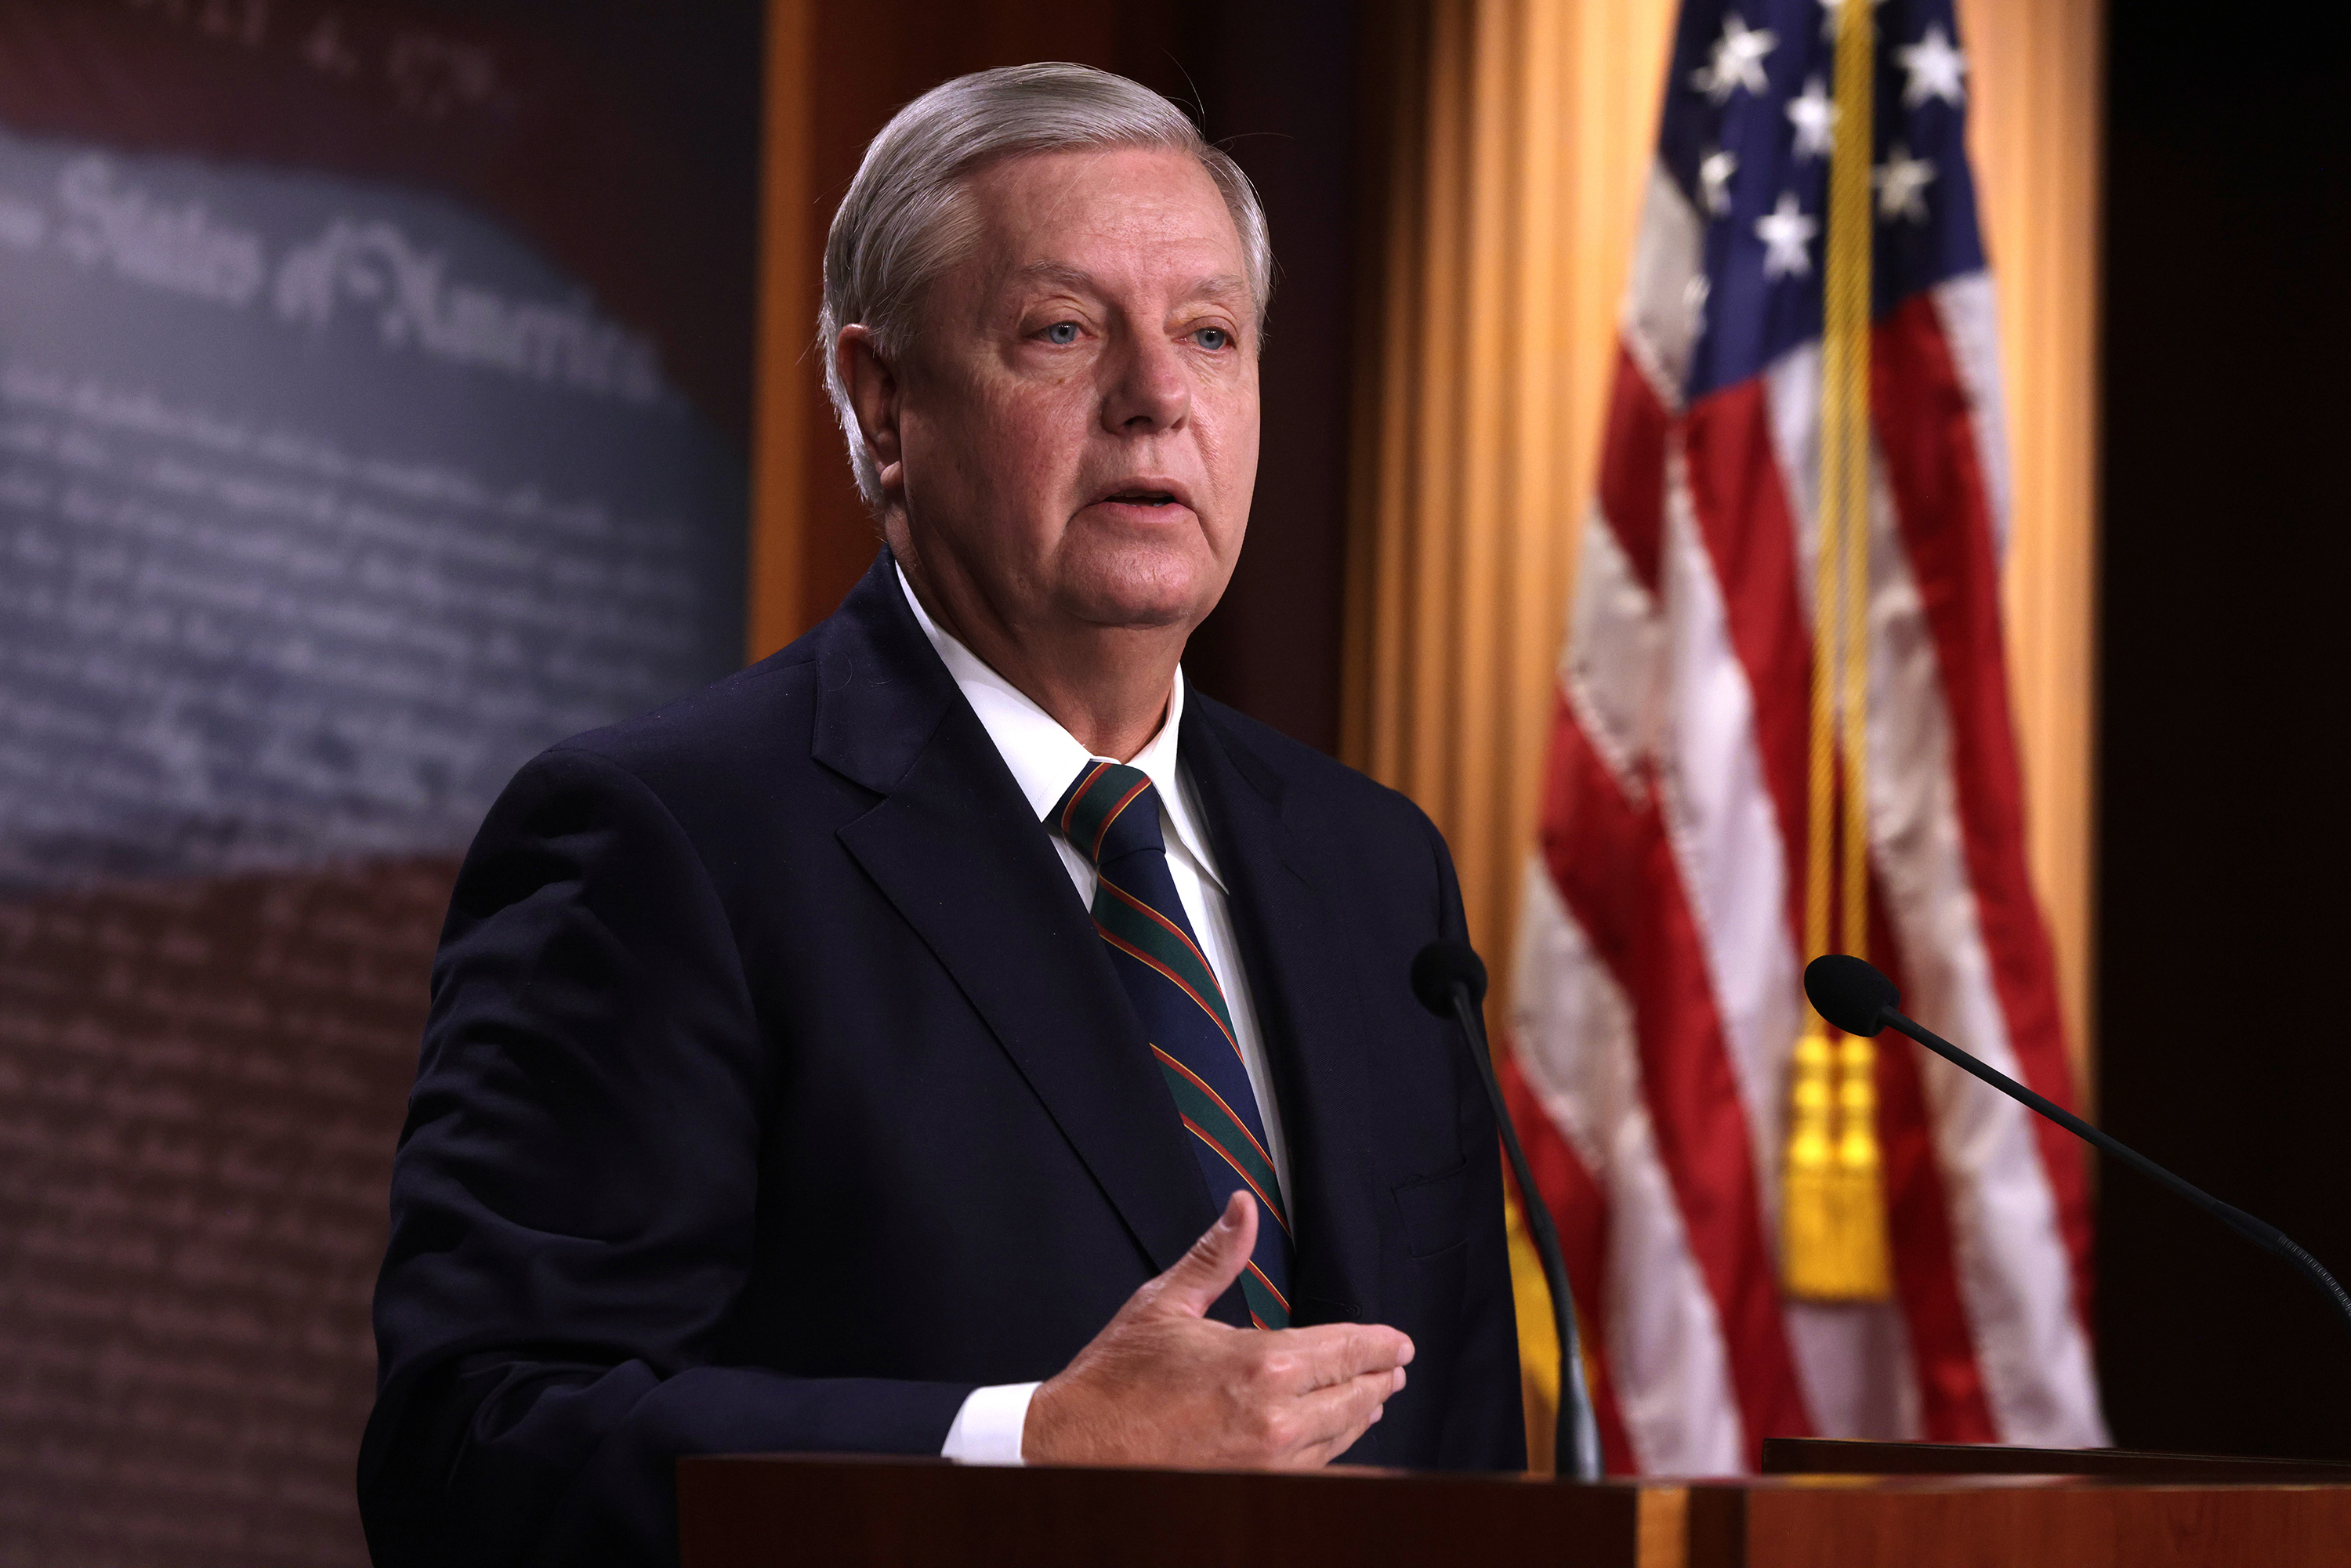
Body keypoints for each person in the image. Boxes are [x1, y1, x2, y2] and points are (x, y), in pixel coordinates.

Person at [358, 62, 1523, 1567]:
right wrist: (1027, 1445)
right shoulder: (665, 843)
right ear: (882, 398)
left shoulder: (1376, 873)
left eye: (1210, 335)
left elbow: (1470, 1466)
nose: (1157, 398)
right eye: (1062, 330)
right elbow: (477, 1451)